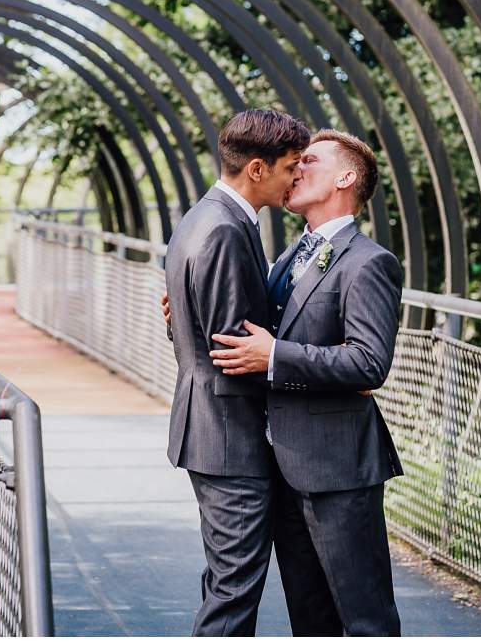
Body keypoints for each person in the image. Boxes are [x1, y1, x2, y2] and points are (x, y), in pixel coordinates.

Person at [209, 130, 405, 636]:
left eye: (309, 161)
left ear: (346, 178)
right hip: (282, 468)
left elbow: (368, 363)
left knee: (364, 618)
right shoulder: (289, 258)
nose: (295, 169)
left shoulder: (369, 262)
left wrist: (278, 356)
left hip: (338, 468)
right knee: (310, 619)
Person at [164, 109, 309, 636]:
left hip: (216, 428)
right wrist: (315, 370)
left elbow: (197, 324)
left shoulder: (205, 218)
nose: (297, 176)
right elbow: (231, 347)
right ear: (256, 168)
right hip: (228, 434)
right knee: (234, 587)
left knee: (227, 579)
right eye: (291, 166)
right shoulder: (226, 229)